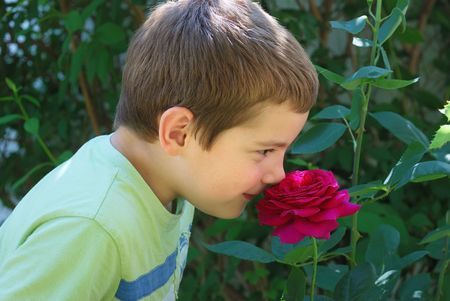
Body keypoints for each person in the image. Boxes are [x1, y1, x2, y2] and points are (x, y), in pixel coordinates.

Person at [0, 0, 318, 300]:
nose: (279, 174)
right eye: (265, 151)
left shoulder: (174, 177)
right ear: (179, 133)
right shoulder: (90, 229)